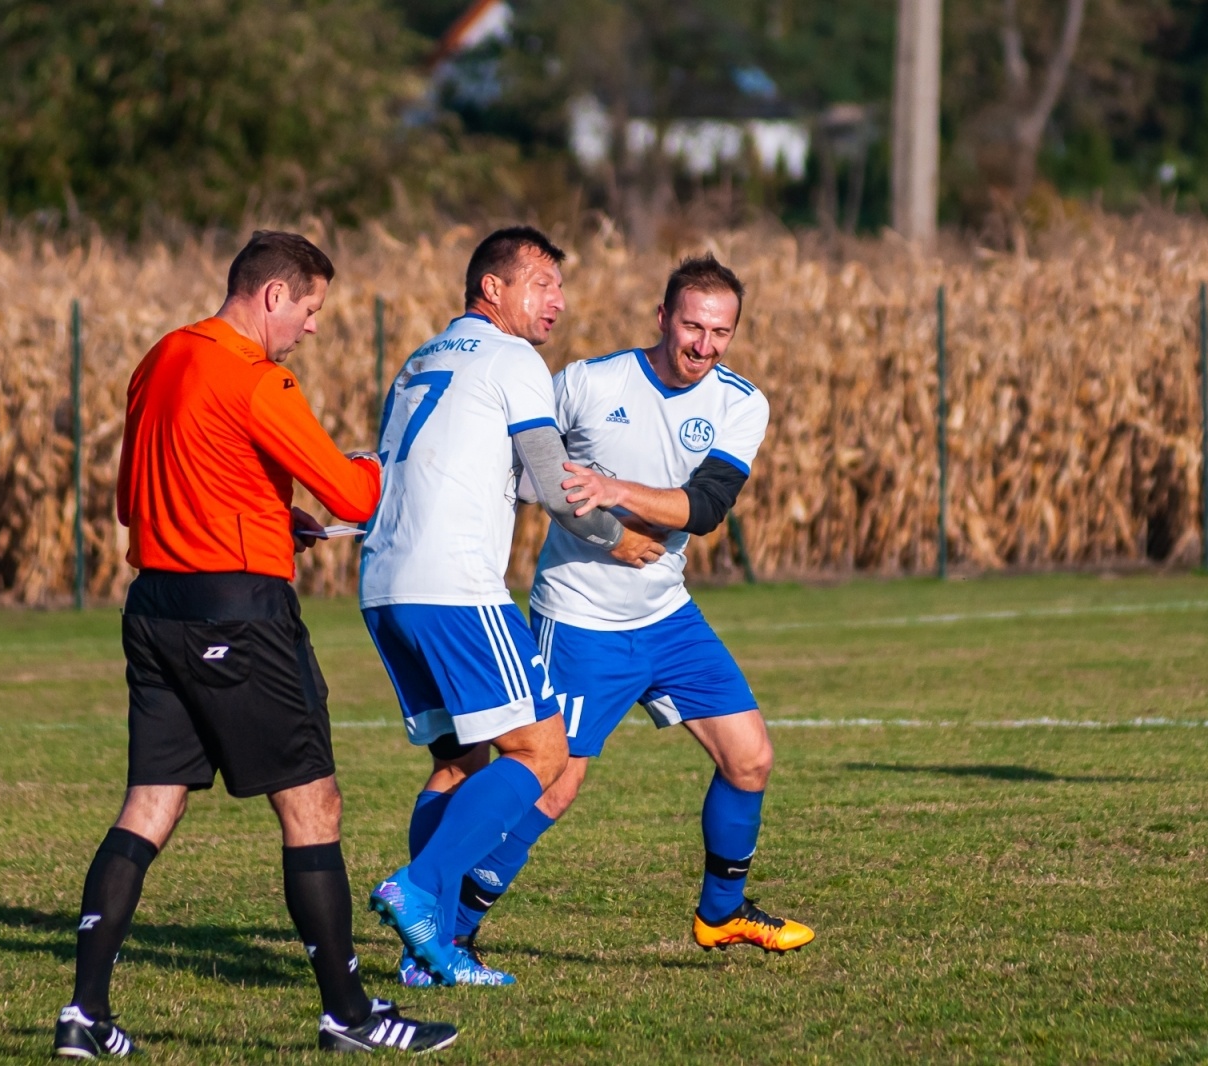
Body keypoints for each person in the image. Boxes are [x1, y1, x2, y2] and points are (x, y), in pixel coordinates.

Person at [54, 230, 455, 1058]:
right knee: (312, 804)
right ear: (273, 295)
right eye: (309, 308)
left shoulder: (161, 358)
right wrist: (381, 465)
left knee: (150, 803)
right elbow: (353, 495)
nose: (312, 326)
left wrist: (270, 516)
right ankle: (349, 1015)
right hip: (237, 618)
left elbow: (135, 503)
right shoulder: (257, 377)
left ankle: (84, 1014)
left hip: (154, 607)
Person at [401, 255, 813, 986]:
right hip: (578, 617)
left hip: (668, 614)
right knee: (552, 785)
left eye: (720, 332)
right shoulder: (588, 383)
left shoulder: (740, 402)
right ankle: (448, 933)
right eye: (692, 326)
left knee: (750, 758)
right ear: (663, 318)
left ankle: (721, 914)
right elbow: (515, 465)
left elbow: (706, 507)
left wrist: (611, 488)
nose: (705, 345)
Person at [359, 226, 665, 987]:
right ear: (491, 288)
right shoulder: (513, 358)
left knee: (458, 763)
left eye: (561, 286)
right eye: (541, 283)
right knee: (541, 752)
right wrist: (617, 536)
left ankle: (428, 954)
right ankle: (419, 888)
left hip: (385, 585)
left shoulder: (422, 358)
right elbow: (551, 481)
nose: (557, 300)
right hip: (456, 587)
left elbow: (492, 473)